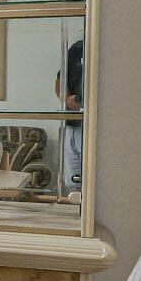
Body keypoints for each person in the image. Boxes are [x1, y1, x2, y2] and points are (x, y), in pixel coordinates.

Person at [55, 38, 84, 194]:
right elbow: (60, 79)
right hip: (72, 123)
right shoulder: (78, 47)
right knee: (74, 178)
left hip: (93, 124)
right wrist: (66, 100)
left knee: (92, 176)